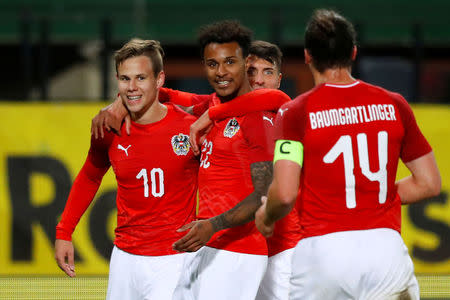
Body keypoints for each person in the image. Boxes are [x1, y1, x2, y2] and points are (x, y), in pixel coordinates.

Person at [255, 9, 441, 300]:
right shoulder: (395, 104)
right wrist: (370, 196)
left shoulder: (294, 112)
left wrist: (266, 216)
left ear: (307, 56)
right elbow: (429, 183)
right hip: (386, 252)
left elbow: (286, 192)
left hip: (322, 255)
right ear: (353, 52)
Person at [54, 38, 199, 300]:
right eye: (124, 79)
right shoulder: (107, 129)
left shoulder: (190, 128)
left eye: (141, 78)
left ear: (159, 79)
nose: (131, 88)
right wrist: (64, 232)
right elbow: (90, 175)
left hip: (176, 260)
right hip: (125, 259)